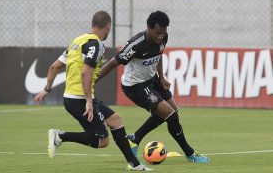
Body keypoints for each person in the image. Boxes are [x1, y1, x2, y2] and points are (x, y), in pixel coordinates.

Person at [33, 10, 151, 171]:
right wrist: (88, 101)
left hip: (74, 97)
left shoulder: (78, 41)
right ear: (108, 25)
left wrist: (46, 89)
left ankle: (134, 164)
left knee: (115, 120)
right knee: (102, 141)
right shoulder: (96, 44)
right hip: (80, 99)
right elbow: (85, 72)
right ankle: (60, 136)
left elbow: (55, 66)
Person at [97, 11, 210, 163]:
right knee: (171, 116)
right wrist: (92, 82)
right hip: (135, 86)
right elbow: (112, 64)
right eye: (157, 33)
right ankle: (190, 153)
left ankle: (134, 139)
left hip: (152, 80)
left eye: (163, 33)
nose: (160, 37)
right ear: (148, 28)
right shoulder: (136, 44)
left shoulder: (163, 37)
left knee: (173, 111)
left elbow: (159, 55)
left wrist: (162, 78)